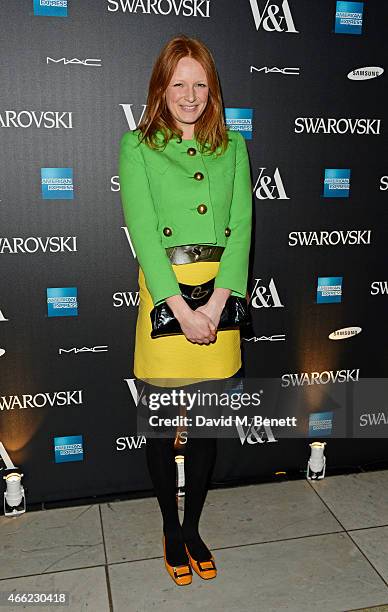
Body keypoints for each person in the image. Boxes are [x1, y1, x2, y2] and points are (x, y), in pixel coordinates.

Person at [119, 34, 252, 586]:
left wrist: (217, 304)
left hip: (218, 300)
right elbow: (145, 234)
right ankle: (170, 531)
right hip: (166, 296)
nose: (190, 95)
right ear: (161, 87)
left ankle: (193, 528)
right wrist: (181, 307)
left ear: (212, 89)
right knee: (160, 428)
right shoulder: (137, 145)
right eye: (180, 84)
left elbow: (241, 228)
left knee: (206, 429)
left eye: (200, 84)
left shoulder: (235, 147)